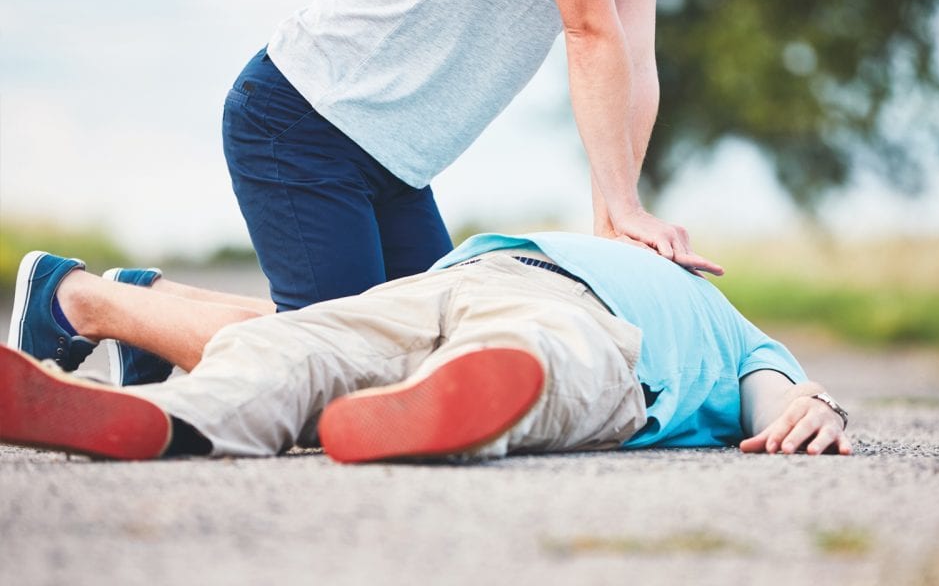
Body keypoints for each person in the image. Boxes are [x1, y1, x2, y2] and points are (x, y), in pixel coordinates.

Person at [0, 232, 851, 463]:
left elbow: (780, 400)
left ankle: (438, 407)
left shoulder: (737, 332)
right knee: (299, 342)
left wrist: (816, 409)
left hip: (586, 323)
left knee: (536, 349)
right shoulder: (603, 239)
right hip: (456, 279)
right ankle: (169, 415)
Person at [219, 0, 723, 309]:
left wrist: (613, 226)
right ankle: (163, 308)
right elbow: (589, 31)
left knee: (434, 361)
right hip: (304, 116)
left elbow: (634, 58)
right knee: (343, 368)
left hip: (398, 163)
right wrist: (625, 207)